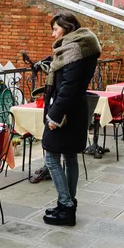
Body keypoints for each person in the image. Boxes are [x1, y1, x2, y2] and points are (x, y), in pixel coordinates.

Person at [41, 12, 101, 226]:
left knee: (51, 157)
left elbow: (69, 85)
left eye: (56, 29)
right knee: (70, 157)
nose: (53, 33)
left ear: (66, 28)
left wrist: (55, 116)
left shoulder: (72, 48)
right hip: (76, 110)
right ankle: (67, 202)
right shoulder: (80, 46)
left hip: (65, 112)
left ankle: (66, 206)